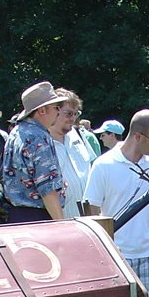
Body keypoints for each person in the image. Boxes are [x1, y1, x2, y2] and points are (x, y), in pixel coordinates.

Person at [84, 109, 149, 297]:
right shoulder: (104, 165)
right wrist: (101, 251)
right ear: (138, 136)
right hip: (117, 255)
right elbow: (91, 210)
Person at [0, 81, 66, 222]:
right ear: (41, 110)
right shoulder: (38, 137)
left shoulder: (16, 132)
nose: (58, 112)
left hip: (16, 216)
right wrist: (61, 224)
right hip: (38, 219)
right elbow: (47, 188)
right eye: (56, 107)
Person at [49, 89, 94, 218]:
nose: (73, 119)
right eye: (69, 114)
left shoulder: (79, 134)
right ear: (54, 111)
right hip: (60, 222)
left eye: (76, 114)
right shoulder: (42, 143)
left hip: (87, 219)